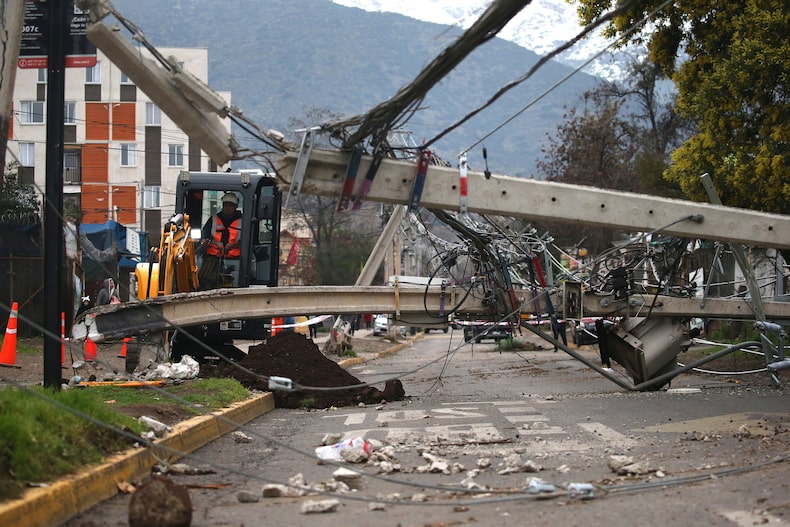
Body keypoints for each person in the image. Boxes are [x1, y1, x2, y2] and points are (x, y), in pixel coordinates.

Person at [199, 192, 243, 289]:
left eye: (230, 206)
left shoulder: (243, 221)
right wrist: (204, 241)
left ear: (236, 206)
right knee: (205, 278)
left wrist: (235, 245)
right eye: (226, 205)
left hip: (236, 260)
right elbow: (205, 233)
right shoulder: (214, 219)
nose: (228, 208)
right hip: (214, 258)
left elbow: (248, 239)